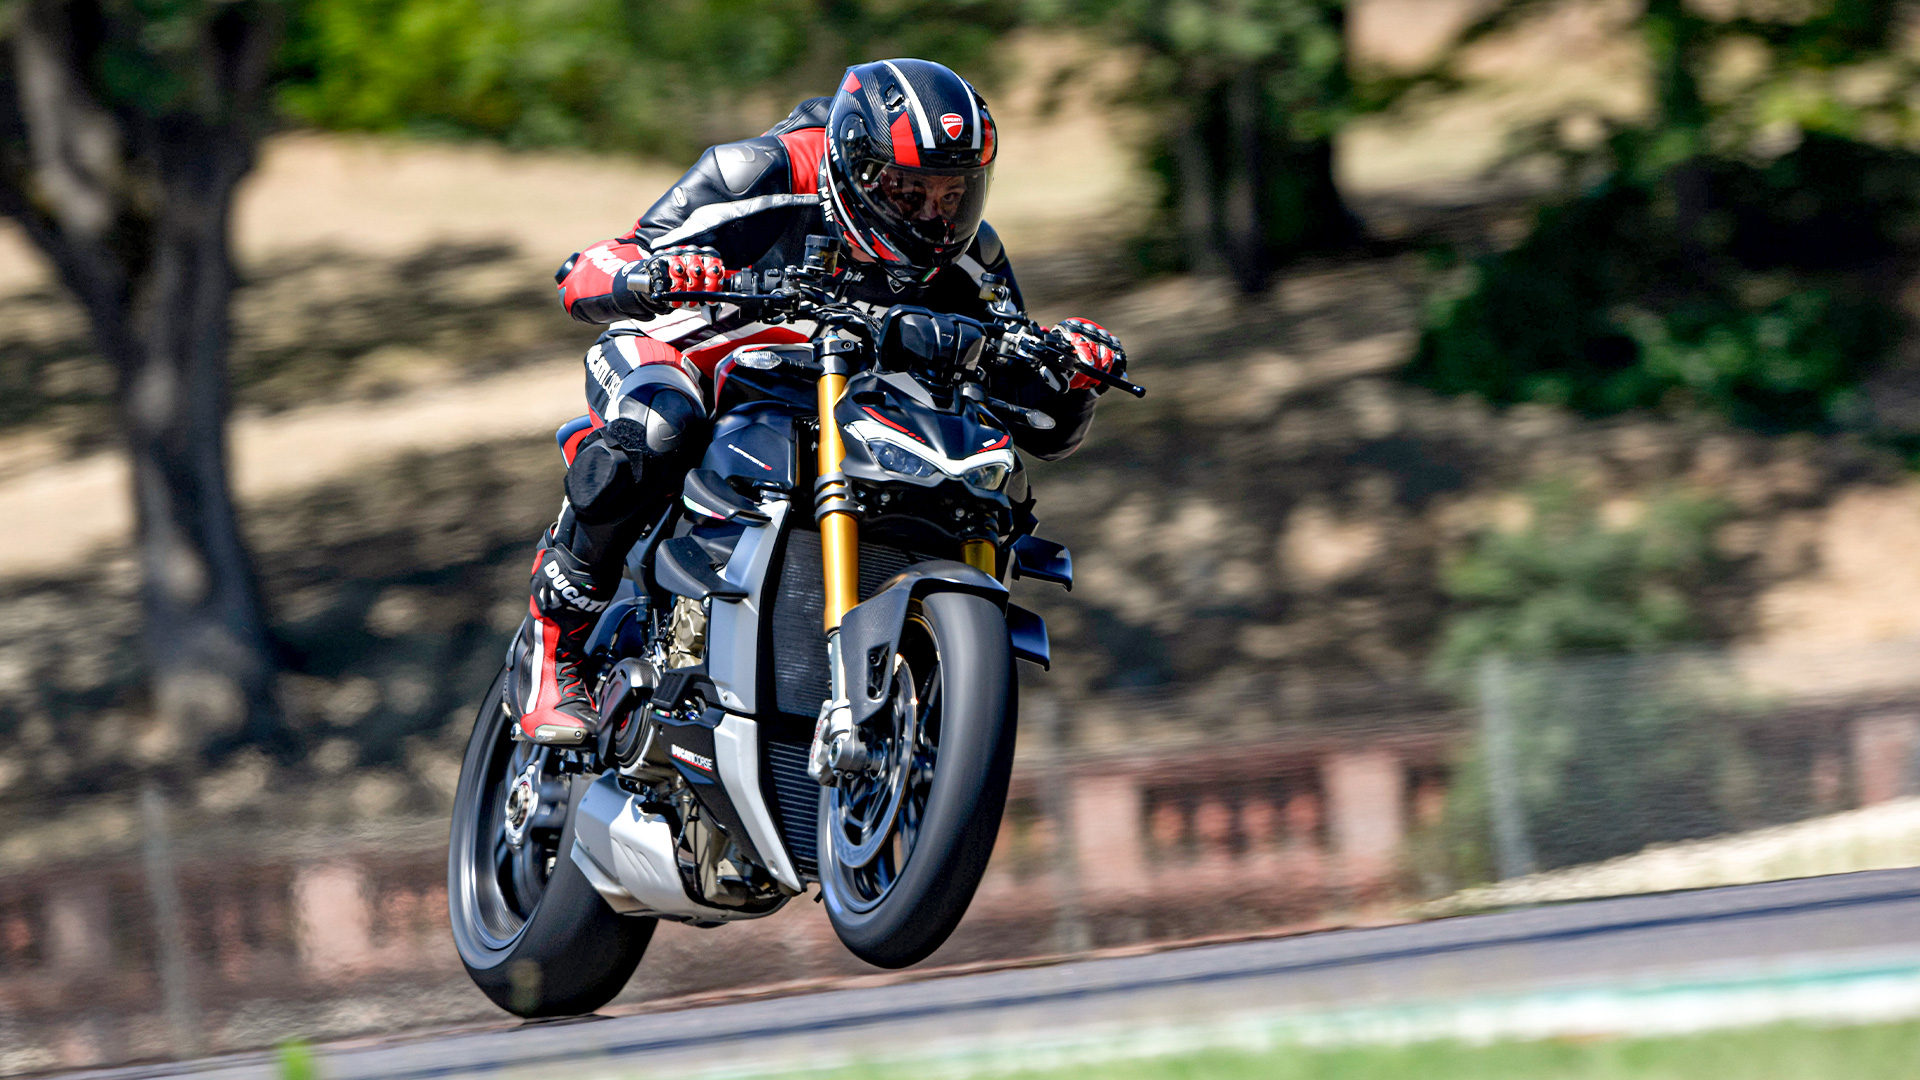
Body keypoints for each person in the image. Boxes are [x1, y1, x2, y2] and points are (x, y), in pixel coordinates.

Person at [509, 58, 1128, 746]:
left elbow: (1038, 421)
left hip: (826, 389)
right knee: (658, 429)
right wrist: (652, 273)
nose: (934, 216)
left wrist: (1073, 372)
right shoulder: (756, 174)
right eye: (909, 191)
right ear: (858, 169)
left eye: (954, 194)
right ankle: (551, 646)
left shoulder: (972, 257)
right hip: (688, 348)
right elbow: (588, 270)